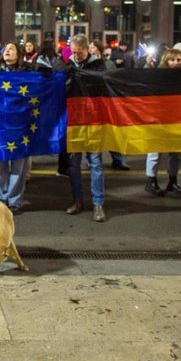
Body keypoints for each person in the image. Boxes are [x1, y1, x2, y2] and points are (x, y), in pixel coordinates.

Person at [63, 34, 108, 222]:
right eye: (73, 52)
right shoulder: (68, 65)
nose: (76, 56)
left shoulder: (99, 65)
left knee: (96, 163)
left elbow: (104, 85)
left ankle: (98, 203)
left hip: (94, 120)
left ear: (87, 50)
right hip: (74, 120)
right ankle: (78, 200)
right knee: (74, 165)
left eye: (79, 53)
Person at [0, 42, 33, 215]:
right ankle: (0, 199)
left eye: (11, 49)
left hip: (20, 124)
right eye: (5, 49)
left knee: (18, 165)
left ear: (18, 54)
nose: (7, 51)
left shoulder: (27, 72)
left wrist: (45, 75)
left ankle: (14, 200)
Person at [144, 48, 181, 196]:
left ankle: (172, 181)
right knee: (155, 151)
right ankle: (151, 181)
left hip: (176, 119)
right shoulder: (158, 74)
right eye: (172, 59)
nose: (176, 62)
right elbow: (145, 83)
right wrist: (147, 67)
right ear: (166, 61)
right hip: (158, 119)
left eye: (178, 60)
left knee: (175, 153)